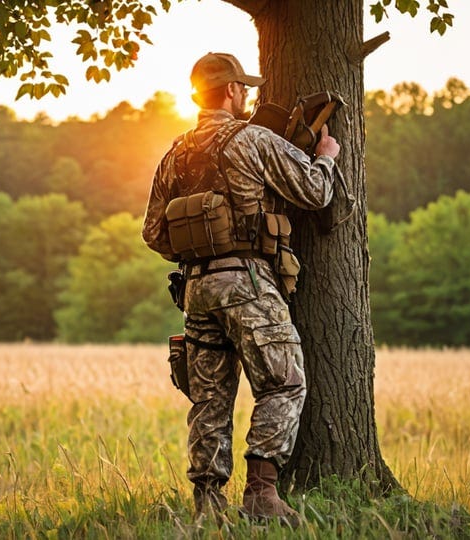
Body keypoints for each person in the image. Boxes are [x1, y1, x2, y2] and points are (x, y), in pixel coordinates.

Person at [141, 52, 340, 522]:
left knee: (209, 399)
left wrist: (200, 250)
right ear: (231, 91)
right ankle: (262, 494)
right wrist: (327, 159)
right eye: (243, 88)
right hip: (248, 281)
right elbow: (315, 190)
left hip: (194, 290)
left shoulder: (175, 153)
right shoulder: (252, 139)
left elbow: (153, 233)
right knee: (284, 382)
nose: (247, 94)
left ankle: (208, 505)